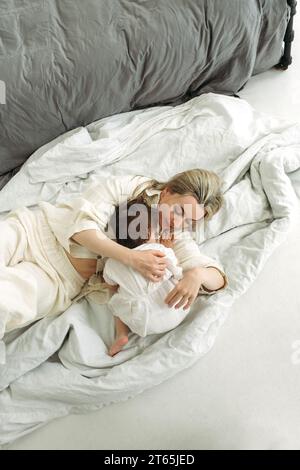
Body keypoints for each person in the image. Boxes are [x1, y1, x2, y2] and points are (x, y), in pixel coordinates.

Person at [0, 168, 227, 363]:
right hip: (35, 230)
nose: (179, 222)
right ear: (167, 191)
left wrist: (196, 274)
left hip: (59, 278)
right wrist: (131, 258)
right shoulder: (131, 188)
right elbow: (81, 229)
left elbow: (218, 279)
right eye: (179, 211)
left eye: (189, 221)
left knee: (6, 303)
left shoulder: (175, 235)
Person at [101, 198, 227, 356]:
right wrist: (167, 248)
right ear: (150, 232)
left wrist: (120, 287)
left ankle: (122, 335)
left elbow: (110, 285)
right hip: (175, 309)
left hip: (142, 322)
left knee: (115, 303)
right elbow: (176, 270)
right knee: (173, 278)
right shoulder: (160, 250)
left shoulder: (113, 262)